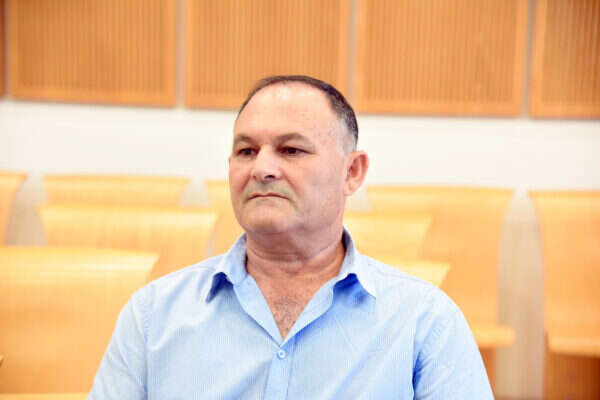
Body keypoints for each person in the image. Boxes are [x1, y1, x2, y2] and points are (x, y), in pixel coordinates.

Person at [89, 75, 493, 399]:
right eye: (246, 151)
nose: (262, 168)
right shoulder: (154, 316)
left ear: (352, 172)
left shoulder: (424, 322)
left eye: (291, 150)